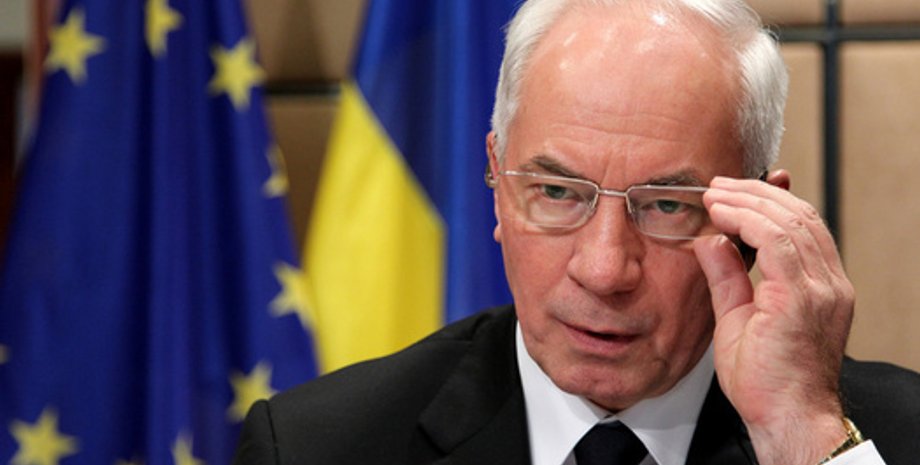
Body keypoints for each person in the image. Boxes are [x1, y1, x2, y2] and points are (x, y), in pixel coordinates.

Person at [233, 0, 920, 464]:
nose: (604, 268)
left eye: (666, 204)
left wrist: (803, 436)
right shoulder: (315, 447)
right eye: (558, 193)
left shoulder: (892, 437)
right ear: (497, 183)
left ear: (752, 226)